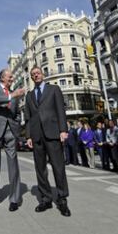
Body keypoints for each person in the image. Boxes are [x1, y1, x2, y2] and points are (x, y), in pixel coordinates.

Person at [24, 66, 71, 217]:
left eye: (37, 73)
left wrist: (63, 130)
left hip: (53, 133)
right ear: (31, 78)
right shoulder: (29, 95)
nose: (35, 76)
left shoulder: (54, 89)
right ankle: (45, 199)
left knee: (58, 167)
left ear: (42, 74)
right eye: (33, 75)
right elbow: (28, 118)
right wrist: (28, 136)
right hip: (37, 136)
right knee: (40, 169)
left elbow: (60, 110)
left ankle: (62, 199)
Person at [0, 68, 25, 212]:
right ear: (2, 78)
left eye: (12, 77)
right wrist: (12, 95)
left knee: (13, 164)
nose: (12, 79)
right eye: (10, 77)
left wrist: (17, 125)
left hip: (10, 132)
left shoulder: (15, 93)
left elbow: (17, 112)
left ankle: (14, 199)